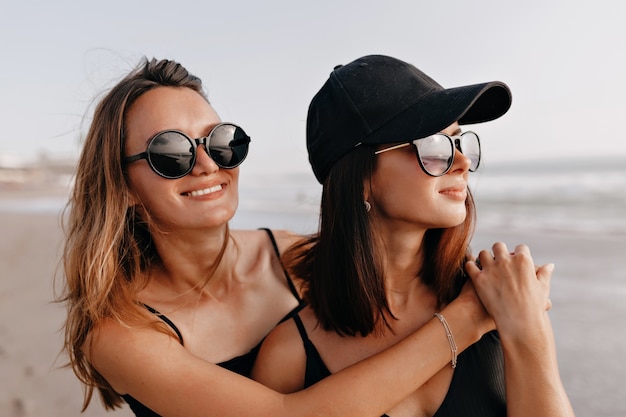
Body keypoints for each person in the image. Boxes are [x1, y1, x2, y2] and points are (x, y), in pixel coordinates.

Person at [58, 56, 548, 417]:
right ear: (122, 187)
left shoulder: (298, 258)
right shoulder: (122, 332)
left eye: (221, 141)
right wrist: (465, 321)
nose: (208, 164)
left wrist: (519, 318)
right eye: (171, 153)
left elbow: (381, 252)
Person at [252, 54, 575, 417]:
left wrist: (529, 329)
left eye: (460, 142)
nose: (462, 162)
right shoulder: (290, 354)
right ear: (362, 179)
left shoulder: (504, 297)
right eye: (434, 146)